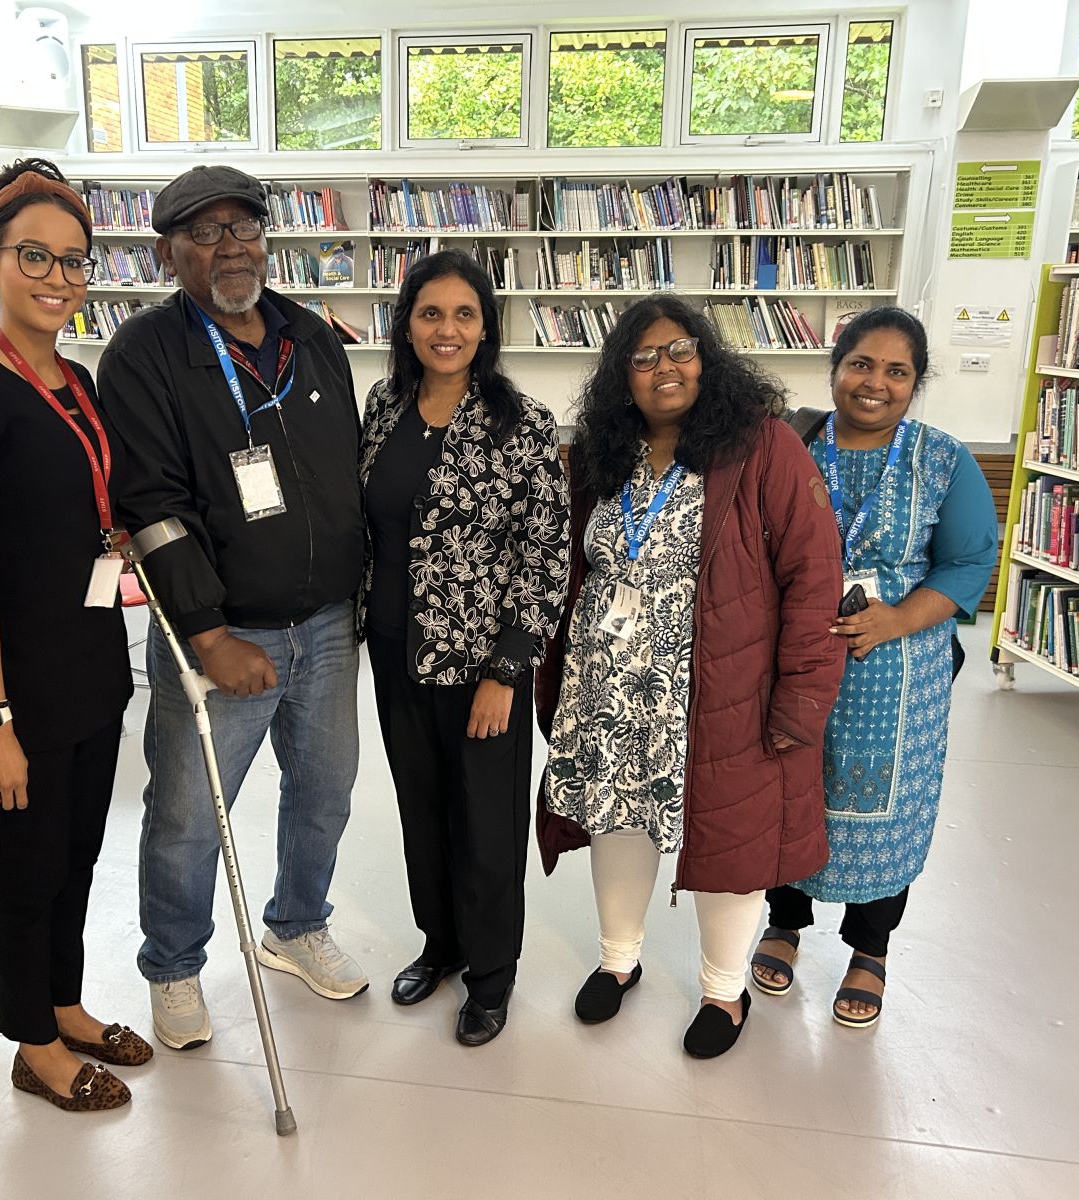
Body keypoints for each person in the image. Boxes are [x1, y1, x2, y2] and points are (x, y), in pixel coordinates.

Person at [95, 165, 368, 1052]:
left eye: (242, 228)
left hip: (328, 623)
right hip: (225, 633)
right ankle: (173, 968)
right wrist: (209, 634)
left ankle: (295, 926)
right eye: (204, 234)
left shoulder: (312, 338)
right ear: (168, 252)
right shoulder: (144, 354)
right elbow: (152, 507)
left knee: (324, 792)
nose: (229, 247)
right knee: (186, 813)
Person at [536, 294, 845, 1060]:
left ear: (707, 359)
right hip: (609, 684)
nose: (663, 368)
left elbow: (814, 574)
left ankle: (722, 990)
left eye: (679, 350)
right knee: (617, 817)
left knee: (731, 835)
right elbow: (573, 564)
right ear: (621, 377)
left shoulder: (764, 446)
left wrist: (803, 691)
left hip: (720, 686)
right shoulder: (603, 450)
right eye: (642, 358)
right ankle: (619, 959)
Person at [0, 158, 143, 1112]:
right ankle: (32, 1043)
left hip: (92, 659)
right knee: (29, 864)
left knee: (78, 854)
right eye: (35, 258)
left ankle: (63, 1002)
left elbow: (80, 511)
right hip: (23, 683)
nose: (57, 279)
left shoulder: (78, 381)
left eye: (75, 262)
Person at [749, 307, 998, 1028]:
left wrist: (894, 620)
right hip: (790, 662)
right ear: (834, 368)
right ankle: (784, 922)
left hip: (896, 671)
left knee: (886, 806)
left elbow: (967, 561)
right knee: (788, 785)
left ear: (915, 384)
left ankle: (870, 950)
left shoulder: (941, 460)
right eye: (861, 364)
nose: (875, 383)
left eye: (897, 371)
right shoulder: (786, 448)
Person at [359, 250, 569, 1047]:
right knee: (423, 811)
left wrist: (507, 672)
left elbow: (544, 557)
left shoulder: (522, 425)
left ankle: (491, 975)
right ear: (406, 324)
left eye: (464, 315)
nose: (446, 331)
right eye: (430, 314)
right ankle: (440, 945)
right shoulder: (384, 406)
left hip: (482, 666)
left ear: (486, 327)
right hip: (393, 652)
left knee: (485, 822)